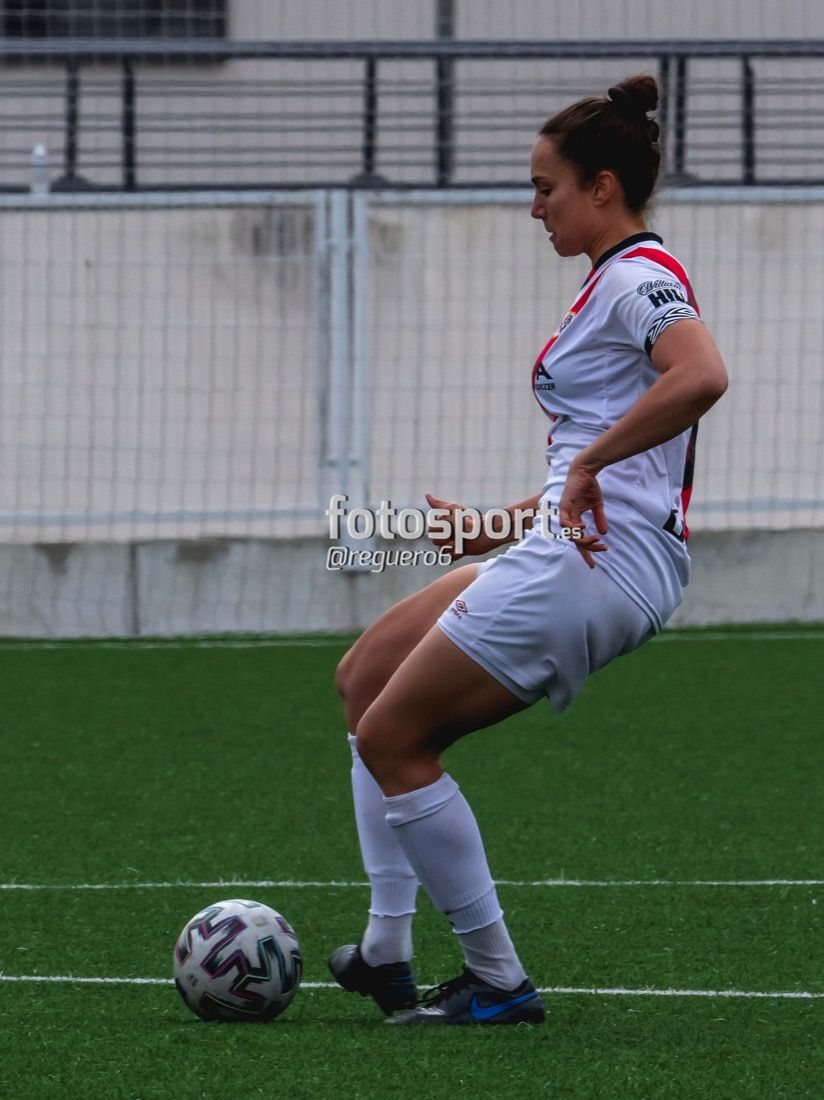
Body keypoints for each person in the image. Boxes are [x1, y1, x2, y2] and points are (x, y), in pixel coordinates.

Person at [328, 74, 728, 1025]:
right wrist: (496, 523)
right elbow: (599, 472)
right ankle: (387, 948)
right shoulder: (609, 283)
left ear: (602, 187)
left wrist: (583, 465)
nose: (534, 206)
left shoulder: (636, 278)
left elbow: (703, 375)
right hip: (570, 545)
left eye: (546, 187)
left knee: (394, 738)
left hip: (601, 566)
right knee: (365, 679)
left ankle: (498, 982)